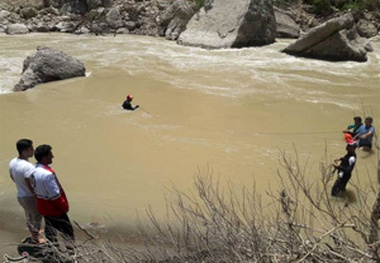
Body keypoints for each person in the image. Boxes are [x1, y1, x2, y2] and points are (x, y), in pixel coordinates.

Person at [32, 144, 75, 247]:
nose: (53, 156)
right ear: (44, 157)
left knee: (50, 229)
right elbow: (55, 196)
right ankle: (71, 252)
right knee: (68, 231)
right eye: (50, 154)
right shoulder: (48, 174)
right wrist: (64, 207)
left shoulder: (33, 170)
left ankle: (52, 250)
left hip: (43, 206)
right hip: (54, 209)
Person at [9, 139, 44, 244]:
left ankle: (32, 234)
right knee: (37, 217)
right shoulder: (28, 166)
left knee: (29, 216)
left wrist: (21, 186)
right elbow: (30, 183)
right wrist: (36, 195)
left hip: (20, 195)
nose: (33, 151)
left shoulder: (13, 162)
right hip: (29, 196)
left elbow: (12, 176)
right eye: (31, 149)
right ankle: (36, 238)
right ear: (24, 151)